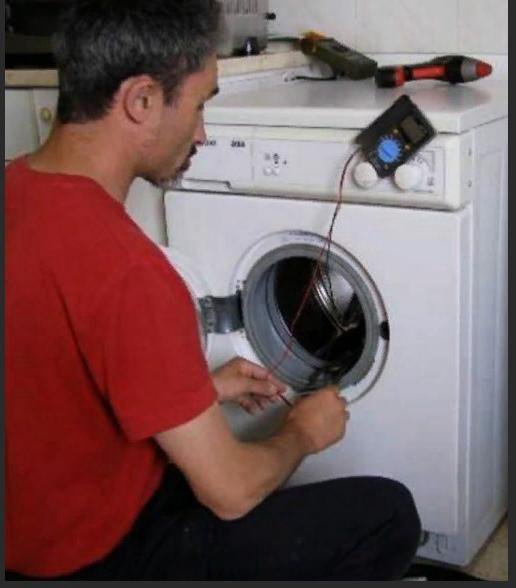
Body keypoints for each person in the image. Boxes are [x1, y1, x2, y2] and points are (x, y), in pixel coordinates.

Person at [5, 0, 421, 580]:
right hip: (99, 557)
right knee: (389, 514)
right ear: (142, 100)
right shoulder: (129, 271)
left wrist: (198, 388)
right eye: (200, 104)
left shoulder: (17, 187)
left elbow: (55, 390)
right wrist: (301, 433)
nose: (201, 131)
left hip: (29, 539)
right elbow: (230, 493)